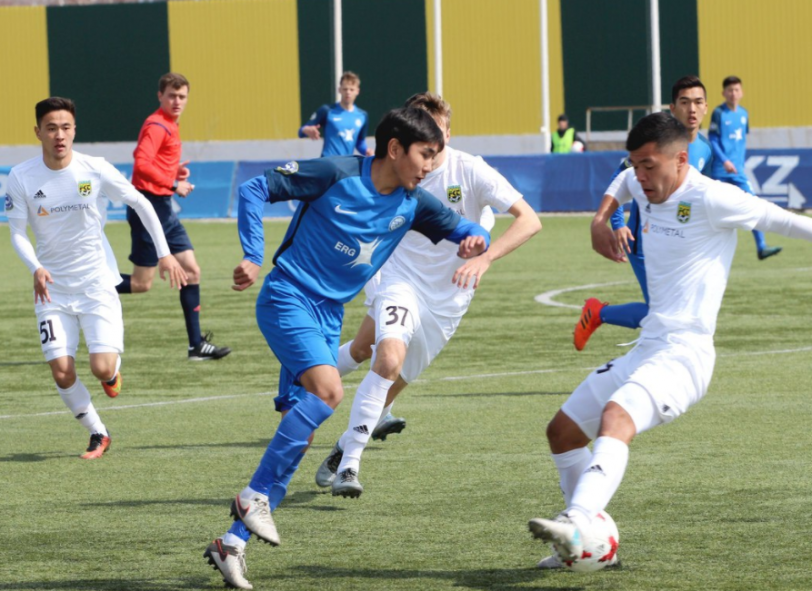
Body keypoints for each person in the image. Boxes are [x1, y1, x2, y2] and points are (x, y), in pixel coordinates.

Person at [203, 107, 491, 590]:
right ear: (395, 148)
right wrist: (253, 254)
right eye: (424, 154)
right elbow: (256, 188)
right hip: (287, 297)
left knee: (301, 436)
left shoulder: (414, 202)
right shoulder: (334, 172)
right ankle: (251, 496)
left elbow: (466, 229)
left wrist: (474, 239)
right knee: (329, 391)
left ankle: (231, 543)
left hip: (327, 316)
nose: (429, 165)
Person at [528, 112, 812, 569]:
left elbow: (786, 221)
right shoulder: (641, 179)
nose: (640, 176)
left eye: (648, 166)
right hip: (648, 346)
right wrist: (600, 219)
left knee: (616, 415)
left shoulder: (713, 198)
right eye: (635, 165)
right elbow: (621, 181)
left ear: (681, 160)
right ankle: (594, 548)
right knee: (561, 432)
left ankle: (579, 522)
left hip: (686, 356)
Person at [313, 92, 541, 498]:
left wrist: (485, 259)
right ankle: (349, 464)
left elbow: (529, 220)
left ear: (449, 133)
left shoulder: (470, 169)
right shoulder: (400, 170)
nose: (431, 149)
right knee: (386, 357)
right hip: (398, 280)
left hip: (448, 300)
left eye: (439, 134)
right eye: (424, 135)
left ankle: (343, 444)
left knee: (383, 372)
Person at [5, 97, 186, 459]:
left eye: (66, 127)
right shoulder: (21, 176)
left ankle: (111, 373)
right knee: (61, 372)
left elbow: (141, 203)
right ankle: (98, 432)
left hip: (96, 285)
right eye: (52, 128)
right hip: (52, 290)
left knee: (101, 368)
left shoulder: (95, 168)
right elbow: (17, 233)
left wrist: (164, 252)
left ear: (75, 130)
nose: (60, 135)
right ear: (38, 131)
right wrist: (35, 267)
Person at [573, 75, 714, 352]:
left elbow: (697, 196)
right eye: (684, 103)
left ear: (707, 107)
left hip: (678, 243)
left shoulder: (706, 150)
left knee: (675, 311)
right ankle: (599, 315)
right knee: (662, 313)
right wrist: (617, 222)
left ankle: (604, 319)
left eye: (698, 102)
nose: (692, 110)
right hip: (644, 240)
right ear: (673, 109)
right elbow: (622, 177)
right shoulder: (655, 141)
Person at [116, 72, 230, 361]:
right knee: (142, 284)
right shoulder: (157, 124)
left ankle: (196, 346)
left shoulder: (169, 124)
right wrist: (173, 183)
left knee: (191, 271)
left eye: (182, 97)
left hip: (163, 207)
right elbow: (141, 164)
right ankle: (84, 284)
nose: (177, 101)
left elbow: (150, 159)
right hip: (147, 207)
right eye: (172, 96)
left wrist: (173, 172)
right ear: (160, 96)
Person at [709, 75, 781, 261]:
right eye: (730, 90)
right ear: (723, 93)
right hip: (719, 171)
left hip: (738, 172)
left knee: (753, 204)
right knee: (710, 210)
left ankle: (761, 246)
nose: (733, 94)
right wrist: (724, 160)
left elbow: (740, 141)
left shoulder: (744, 114)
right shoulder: (718, 113)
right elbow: (714, 139)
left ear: (742, 92)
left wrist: (738, 163)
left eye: (736, 90)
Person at [299, 71, 375, 157]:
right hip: (328, 163)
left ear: (357, 91)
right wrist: (306, 130)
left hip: (345, 164)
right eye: (345, 89)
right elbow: (301, 131)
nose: (348, 92)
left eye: (351, 89)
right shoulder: (327, 110)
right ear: (339, 90)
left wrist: (366, 151)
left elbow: (359, 142)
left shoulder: (362, 116)